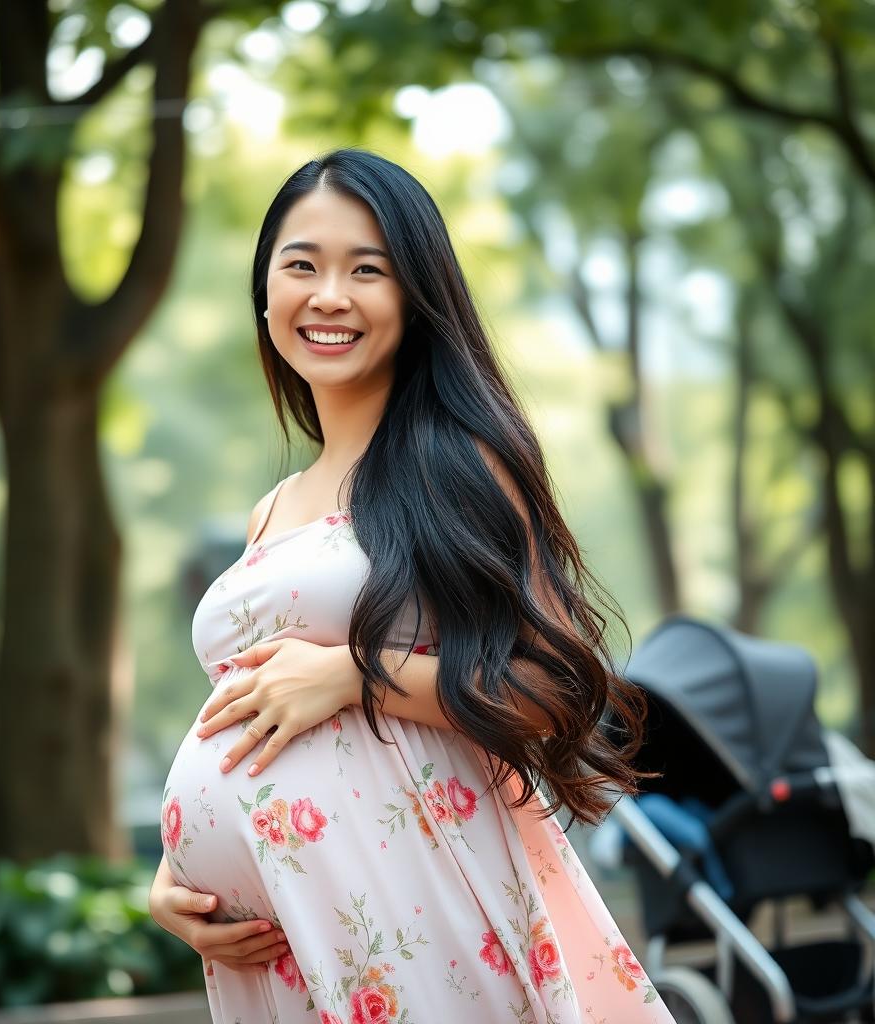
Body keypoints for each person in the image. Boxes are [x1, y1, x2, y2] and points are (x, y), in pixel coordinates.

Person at [149, 148, 676, 1024]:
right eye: (301, 265)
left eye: (368, 269)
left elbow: (552, 689)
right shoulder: (273, 509)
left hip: (418, 914)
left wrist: (357, 676)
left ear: (416, 296)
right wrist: (172, 880)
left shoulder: (456, 463)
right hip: (281, 947)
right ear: (264, 290)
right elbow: (245, 716)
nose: (329, 295)